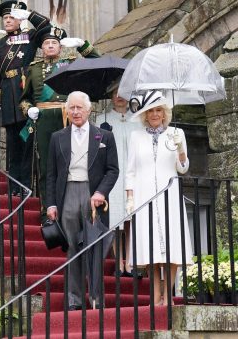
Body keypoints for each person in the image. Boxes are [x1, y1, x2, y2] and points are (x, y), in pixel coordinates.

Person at [46, 91, 119, 310]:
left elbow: (113, 170)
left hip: (92, 195)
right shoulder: (57, 137)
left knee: (94, 247)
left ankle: (96, 298)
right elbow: (50, 174)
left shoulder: (104, 136)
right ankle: (74, 300)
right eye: (72, 108)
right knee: (71, 247)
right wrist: (50, 203)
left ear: (89, 110)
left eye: (80, 108)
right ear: (66, 111)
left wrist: (101, 193)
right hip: (67, 194)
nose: (76, 112)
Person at [20, 24, 100, 223]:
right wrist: (29, 109)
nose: (50, 46)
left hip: (68, 117)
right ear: (42, 47)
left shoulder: (71, 63)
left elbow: (97, 62)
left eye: (54, 43)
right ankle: (47, 209)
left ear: (60, 47)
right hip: (44, 119)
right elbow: (24, 99)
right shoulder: (34, 68)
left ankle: (70, 208)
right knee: (47, 165)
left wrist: (82, 45)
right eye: (46, 43)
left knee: (72, 163)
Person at [125, 90, 193, 306]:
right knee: (149, 249)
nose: (155, 114)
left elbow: (183, 168)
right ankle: (155, 296)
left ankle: (168, 295)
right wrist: (129, 197)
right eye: (151, 111)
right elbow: (130, 170)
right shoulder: (136, 136)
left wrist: (181, 150)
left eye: (158, 110)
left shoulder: (177, 133)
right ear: (145, 114)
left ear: (165, 114)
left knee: (172, 246)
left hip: (169, 194)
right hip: (144, 195)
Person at [0, 0, 50, 194]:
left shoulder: (30, 36)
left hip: (26, 92)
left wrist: (29, 14)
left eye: (11, 17)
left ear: (19, 20)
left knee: (27, 141)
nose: (7, 21)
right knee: (12, 143)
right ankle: (13, 186)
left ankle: (25, 186)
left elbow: (46, 26)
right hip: (8, 93)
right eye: (5, 18)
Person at [95, 79, 142, 277]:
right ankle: (118, 261)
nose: (119, 97)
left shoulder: (139, 119)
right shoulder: (101, 120)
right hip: (112, 175)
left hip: (134, 174)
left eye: (122, 93)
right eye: (115, 94)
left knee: (131, 217)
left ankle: (130, 262)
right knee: (115, 219)